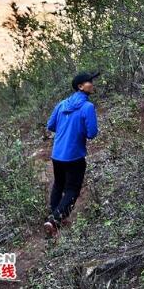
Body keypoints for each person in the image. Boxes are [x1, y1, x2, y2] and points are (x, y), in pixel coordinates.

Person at [43, 70, 99, 237]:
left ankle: (54, 217)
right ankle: (55, 221)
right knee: (72, 190)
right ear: (80, 86)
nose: (92, 84)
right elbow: (92, 133)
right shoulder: (87, 107)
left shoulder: (62, 104)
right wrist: (77, 131)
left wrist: (65, 129)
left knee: (59, 184)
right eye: (89, 82)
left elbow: (50, 125)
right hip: (74, 155)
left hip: (57, 154)